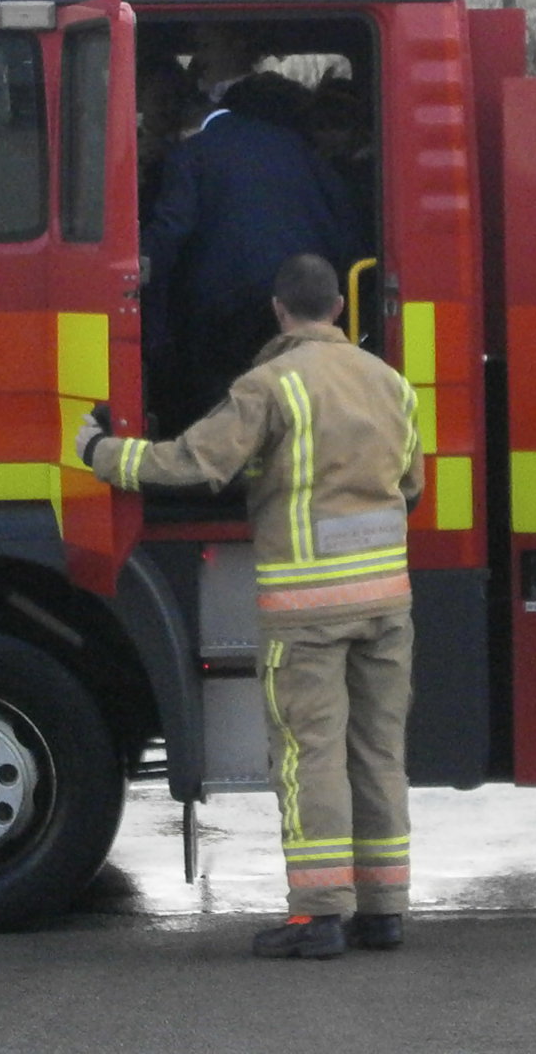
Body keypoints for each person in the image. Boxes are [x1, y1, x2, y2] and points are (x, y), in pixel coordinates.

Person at [77, 254, 423, 959]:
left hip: (308, 610)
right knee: (379, 754)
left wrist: (101, 451)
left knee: (309, 756)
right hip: (387, 603)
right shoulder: (389, 382)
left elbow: (192, 462)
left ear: (278, 310)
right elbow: (410, 485)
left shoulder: (271, 385)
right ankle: (383, 911)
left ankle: (319, 916)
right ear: (338, 307)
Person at [140, 28, 361, 432]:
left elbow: (170, 233)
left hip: (222, 310)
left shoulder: (193, 154)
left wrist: (139, 275)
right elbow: (345, 227)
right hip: (301, 302)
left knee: (224, 406)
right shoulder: (305, 154)